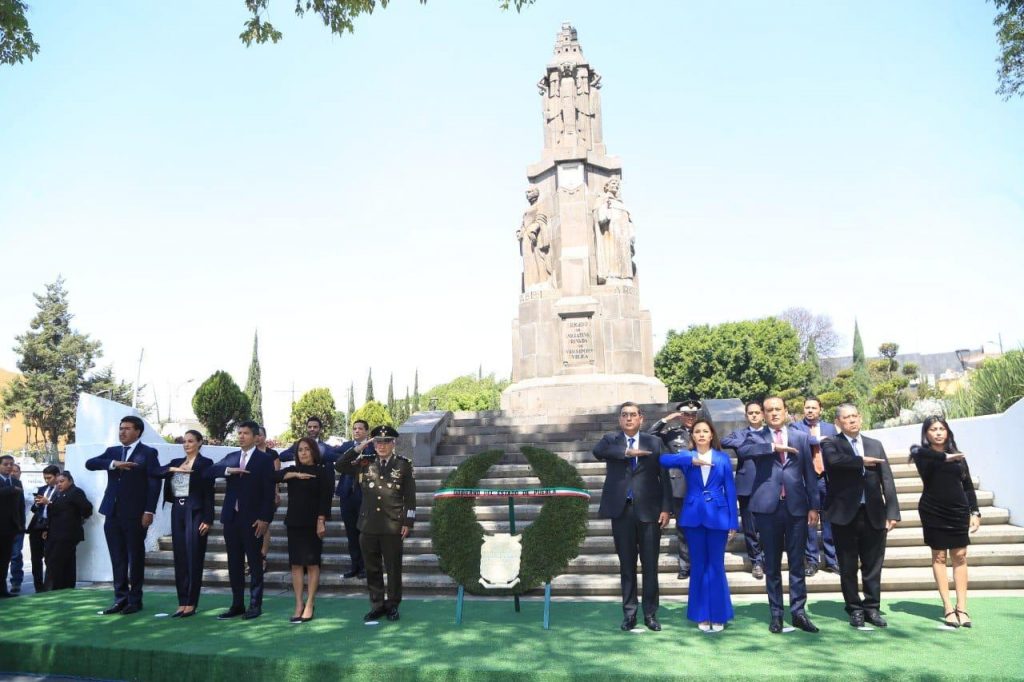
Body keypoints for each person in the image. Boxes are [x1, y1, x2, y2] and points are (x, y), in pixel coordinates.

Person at [734, 396, 820, 633]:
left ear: (786, 411)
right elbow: (743, 450)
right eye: (768, 410)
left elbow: (809, 475)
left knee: (796, 563)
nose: (773, 413)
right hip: (767, 509)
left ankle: (799, 613)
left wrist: (814, 506)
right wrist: (773, 447)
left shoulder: (801, 437)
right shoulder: (755, 437)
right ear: (762, 413)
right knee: (771, 565)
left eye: (777, 409)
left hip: (796, 508)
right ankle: (776, 614)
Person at [593, 402, 672, 631]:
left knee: (650, 566)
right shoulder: (611, 441)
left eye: (633, 415)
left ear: (641, 418)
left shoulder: (654, 442)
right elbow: (598, 452)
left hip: (650, 512)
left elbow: (664, 477)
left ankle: (650, 614)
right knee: (627, 566)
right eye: (624, 415)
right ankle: (629, 613)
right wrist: (627, 452)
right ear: (620, 420)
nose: (628, 418)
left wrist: (666, 508)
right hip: (622, 511)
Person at [820, 403, 901, 628]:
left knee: (873, 565)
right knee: (847, 566)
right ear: (838, 422)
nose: (852, 420)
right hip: (844, 515)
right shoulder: (830, 443)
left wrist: (892, 511)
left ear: (861, 418)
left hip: (874, 514)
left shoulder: (875, 444)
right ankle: (854, 609)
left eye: (855, 416)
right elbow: (833, 463)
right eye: (847, 418)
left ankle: (872, 608)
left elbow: (887, 479)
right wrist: (860, 461)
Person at [660, 419, 738, 632]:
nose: (702, 434)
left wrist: (733, 522)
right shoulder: (687, 458)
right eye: (697, 432)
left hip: (719, 516)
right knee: (699, 566)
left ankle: (719, 614)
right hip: (693, 516)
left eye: (705, 431)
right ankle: (701, 614)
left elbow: (730, 491)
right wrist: (689, 457)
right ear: (692, 436)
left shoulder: (722, 458)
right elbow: (664, 460)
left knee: (716, 566)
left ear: (712, 435)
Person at [336, 424, 416, 623]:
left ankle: (393, 604)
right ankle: (377, 605)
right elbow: (340, 465)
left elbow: (410, 497)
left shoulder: (403, 464)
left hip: (392, 525)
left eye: (386, 442)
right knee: (372, 568)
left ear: (393, 443)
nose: (381, 446)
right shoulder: (365, 462)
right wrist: (361, 447)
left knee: (393, 568)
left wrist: (408, 521)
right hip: (368, 525)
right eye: (378, 442)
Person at [84, 416, 161, 614]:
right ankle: (120, 599)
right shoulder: (113, 452)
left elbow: (154, 483)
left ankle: (135, 600)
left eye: (127, 429)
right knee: (117, 557)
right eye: (120, 428)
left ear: (138, 431)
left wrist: (149, 511)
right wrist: (113, 464)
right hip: (112, 512)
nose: (122, 432)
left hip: (136, 515)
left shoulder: (148, 453)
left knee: (134, 557)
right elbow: (90, 463)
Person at [909, 416, 980, 628]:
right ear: (926, 433)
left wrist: (975, 512)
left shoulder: (958, 457)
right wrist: (944, 458)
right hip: (933, 510)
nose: (938, 432)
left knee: (960, 556)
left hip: (958, 510)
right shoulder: (922, 455)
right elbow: (916, 451)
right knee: (939, 557)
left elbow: (967, 486)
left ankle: (962, 607)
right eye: (933, 429)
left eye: (942, 428)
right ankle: (948, 607)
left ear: (947, 432)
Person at [205, 420, 275, 620]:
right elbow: (208, 472)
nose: (241, 436)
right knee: (234, 563)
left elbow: (268, 493)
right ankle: (237, 604)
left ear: (255, 437)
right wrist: (229, 470)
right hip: (231, 518)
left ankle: (255, 604)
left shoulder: (264, 460)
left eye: (245, 433)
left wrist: (265, 519)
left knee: (254, 562)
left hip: (253, 520)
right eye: (239, 433)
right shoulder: (232, 457)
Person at [155, 429, 214, 617]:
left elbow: (209, 492)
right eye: (184, 441)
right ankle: (182, 601)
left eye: (191, 441)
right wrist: (174, 469)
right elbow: (155, 471)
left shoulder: (205, 463)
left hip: (195, 512)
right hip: (178, 511)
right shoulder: (175, 463)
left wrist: (208, 518)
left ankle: (191, 602)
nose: (187, 444)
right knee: (179, 557)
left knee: (194, 557)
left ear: (199, 443)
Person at [277, 437, 333, 623]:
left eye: (307, 449)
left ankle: (310, 603)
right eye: (300, 449)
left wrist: (321, 520)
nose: (303, 453)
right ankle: (298, 603)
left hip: (312, 523)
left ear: (313, 452)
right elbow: (272, 477)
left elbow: (325, 498)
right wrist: (294, 475)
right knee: (296, 564)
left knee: (312, 563)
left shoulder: (322, 471)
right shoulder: (292, 470)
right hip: (294, 522)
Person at [648, 398, 701, 579]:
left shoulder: (703, 431)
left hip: (701, 487)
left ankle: (701, 563)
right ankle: (685, 566)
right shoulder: (672, 433)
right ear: (680, 415)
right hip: (679, 486)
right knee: (683, 528)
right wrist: (666, 419)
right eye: (686, 414)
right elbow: (650, 434)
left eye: (693, 414)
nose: (690, 417)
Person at [790, 396, 840, 577]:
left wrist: (823, 439)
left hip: (827, 479)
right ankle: (811, 560)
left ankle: (832, 559)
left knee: (829, 520)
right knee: (810, 521)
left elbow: (836, 446)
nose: (810, 411)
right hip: (806, 479)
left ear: (820, 410)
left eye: (813, 408)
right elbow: (804, 441)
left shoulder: (830, 428)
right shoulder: (796, 427)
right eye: (807, 408)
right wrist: (821, 439)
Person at [721, 400, 767, 579]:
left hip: (767, 484)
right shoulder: (741, 434)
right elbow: (725, 441)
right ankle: (756, 561)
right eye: (751, 413)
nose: (754, 415)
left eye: (757, 412)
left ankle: (766, 557)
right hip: (746, 485)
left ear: (763, 414)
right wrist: (746, 440)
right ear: (746, 416)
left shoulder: (769, 433)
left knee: (766, 526)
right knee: (749, 526)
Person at [331, 420, 374, 579]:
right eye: (354, 428)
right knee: (351, 533)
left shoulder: (373, 447)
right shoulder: (347, 446)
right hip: (346, 495)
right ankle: (355, 565)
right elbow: (333, 456)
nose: (356, 431)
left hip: (363, 495)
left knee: (364, 533)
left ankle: (365, 567)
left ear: (367, 431)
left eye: (360, 429)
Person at [41, 472, 93, 591]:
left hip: (67, 533)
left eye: (62, 481)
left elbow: (87, 508)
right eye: (57, 482)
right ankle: (66, 587)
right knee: (65, 561)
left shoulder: (75, 492)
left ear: (70, 481)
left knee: (55, 560)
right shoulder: (59, 494)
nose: (59, 484)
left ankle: (51, 588)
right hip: (56, 533)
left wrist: (79, 519)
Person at [27, 465, 61, 592]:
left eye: (49, 478)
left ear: (57, 475)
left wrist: (49, 503)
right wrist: (36, 504)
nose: (47, 481)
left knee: (50, 558)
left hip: (51, 527)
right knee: (36, 558)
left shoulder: (61, 490)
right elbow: (34, 509)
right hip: (37, 527)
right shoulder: (41, 489)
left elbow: (62, 508)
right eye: (45, 478)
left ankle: (50, 585)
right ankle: (38, 587)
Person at [256, 426, 282, 574]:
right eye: (256, 435)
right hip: (252, 496)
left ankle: (263, 557)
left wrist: (276, 493)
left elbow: (275, 476)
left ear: (264, 437)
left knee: (265, 526)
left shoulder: (272, 454)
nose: (258, 438)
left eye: (260, 435)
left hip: (267, 495)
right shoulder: (249, 454)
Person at [0, 455, 25, 598]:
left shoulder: (16, 482)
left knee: (5, 560)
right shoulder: (12, 486)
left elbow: (20, 506)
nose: (9, 467)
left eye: (11, 464)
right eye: (5, 464)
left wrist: (21, 525)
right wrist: (11, 489)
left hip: (11, 528)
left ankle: (3, 590)